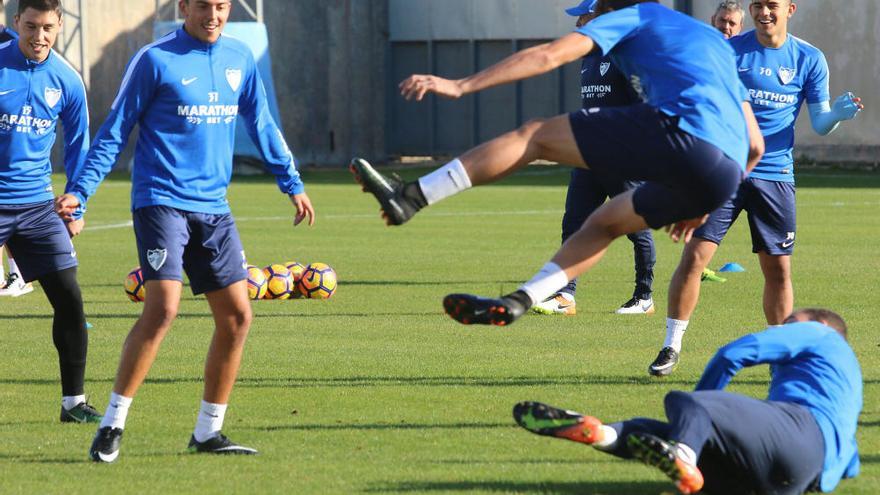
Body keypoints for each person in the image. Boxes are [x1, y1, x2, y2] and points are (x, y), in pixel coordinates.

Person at [351, 0, 763, 327]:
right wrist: (703, 199)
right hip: (723, 172)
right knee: (603, 224)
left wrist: (460, 85)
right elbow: (755, 145)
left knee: (534, 136)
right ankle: (521, 299)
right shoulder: (710, 41)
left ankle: (412, 196)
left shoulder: (633, 15)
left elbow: (549, 56)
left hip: (681, 131)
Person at [56, 0, 315, 462]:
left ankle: (208, 433)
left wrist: (290, 182)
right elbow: (116, 129)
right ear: (183, 7)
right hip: (160, 202)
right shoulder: (155, 59)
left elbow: (261, 121)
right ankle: (112, 424)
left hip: (213, 208)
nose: (213, 16)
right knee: (163, 309)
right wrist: (81, 191)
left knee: (237, 317)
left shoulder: (240, 59)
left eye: (221, 6)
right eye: (203, 7)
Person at [648, 0, 864, 377]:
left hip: (776, 176)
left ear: (790, 9)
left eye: (772, 5)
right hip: (726, 172)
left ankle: (779, 356)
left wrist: (838, 118)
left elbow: (821, 120)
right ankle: (671, 345)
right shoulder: (731, 52)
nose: (765, 12)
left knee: (778, 270)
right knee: (695, 257)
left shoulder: (809, 58)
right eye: (759, 5)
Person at [514, 308, 862, 495]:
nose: (780, 331)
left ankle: (683, 455)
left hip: (798, 433)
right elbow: (851, 466)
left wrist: (701, 402)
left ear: (819, 324)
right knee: (658, 431)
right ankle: (603, 432)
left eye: (788, 325)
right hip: (791, 477)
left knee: (691, 406)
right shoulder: (845, 389)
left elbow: (733, 354)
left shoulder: (820, 335)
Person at [0, 0, 100, 422]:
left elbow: (79, 147)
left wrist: (77, 200)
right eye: (31, 26)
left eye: (47, 28)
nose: (39, 37)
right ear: (15, 22)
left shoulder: (67, 80)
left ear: (59, 25)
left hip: (39, 208)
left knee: (71, 301)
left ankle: (73, 405)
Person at [532, 0, 656, 317]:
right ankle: (565, 296)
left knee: (636, 227)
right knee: (573, 224)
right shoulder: (587, 57)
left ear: (602, 17)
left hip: (622, 158)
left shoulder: (629, 55)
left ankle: (644, 296)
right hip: (587, 156)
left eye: (583, 18)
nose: (578, 25)